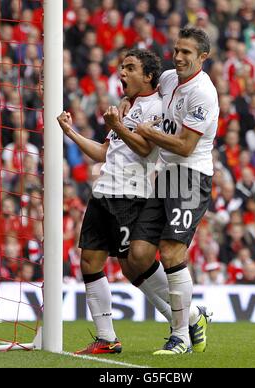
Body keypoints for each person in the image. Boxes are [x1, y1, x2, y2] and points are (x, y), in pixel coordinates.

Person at [58, 48, 209, 356]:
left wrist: (116, 125)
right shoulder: (125, 107)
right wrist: (70, 133)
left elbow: (144, 149)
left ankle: (187, 317)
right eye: (121, 67)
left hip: (130, 195)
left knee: (134, 265)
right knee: (89, 260)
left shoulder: (157, 108)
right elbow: (104, 153)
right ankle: (106, 337)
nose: (122, 73)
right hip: (103, 192)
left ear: (148, 75)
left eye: (129, 68)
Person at [120, 27, 218, 355]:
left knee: (172, 250)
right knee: (138, 254)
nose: (178, 57)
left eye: (186, 53)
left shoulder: (203, 93)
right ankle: (191, 315)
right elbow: (143, 91)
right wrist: (125, 99)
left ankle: (180, 338)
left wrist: (147, 130)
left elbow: (186, 146)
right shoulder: (167, 79)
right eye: (176, 50)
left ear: (202, 57)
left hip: (191, 176)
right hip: (167, 175)